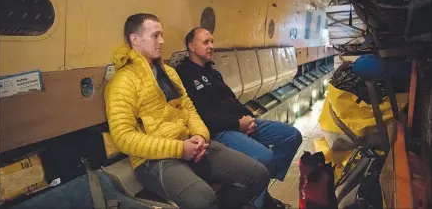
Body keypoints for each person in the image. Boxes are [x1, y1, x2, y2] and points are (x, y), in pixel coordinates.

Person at [104, 14, 270, 209]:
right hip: (154, 160)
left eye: (162, 35)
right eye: (156, 36)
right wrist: (179, 149)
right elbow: (124, 137)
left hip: (191, 144)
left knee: (258, 174)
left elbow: (189, 109)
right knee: (203, 199)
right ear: (135, 39)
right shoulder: (122, 82)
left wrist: (201, 135)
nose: (162, 41)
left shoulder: (169, 73)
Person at [176, 27, 303, 209]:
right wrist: (237, 124)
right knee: (265, 157)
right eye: (206, 42)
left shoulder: (213, 72)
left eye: (212, 41)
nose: (211, 46)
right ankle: (258, 200)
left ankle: (259, 188)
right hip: (221, 130)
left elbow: (231, 100)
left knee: (292, 136)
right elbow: (202, 116)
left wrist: (249, 118)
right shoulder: (185, 75)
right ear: (191, 46)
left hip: (241, 122)